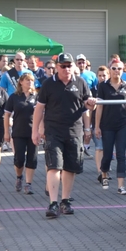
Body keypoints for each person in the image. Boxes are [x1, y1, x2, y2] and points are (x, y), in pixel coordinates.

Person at [32, 53, 96, 219]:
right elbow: (39, 108)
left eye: (69, 66)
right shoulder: (48, 84)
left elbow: (87, 105)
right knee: (54, 166)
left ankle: (65, 201)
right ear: (57, 67)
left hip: (74, 131)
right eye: (63, 66)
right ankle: (53, 203)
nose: (66, 69)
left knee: (70, 167)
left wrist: (91, 107)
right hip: (53, 131)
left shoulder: (80, 82)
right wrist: (36, 130)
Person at [96, 58, 126, 194]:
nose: (116, 71)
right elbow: (99, 107)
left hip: (122, 124)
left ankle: (121, 186)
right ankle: (104, 174)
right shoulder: (103, 86)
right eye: (114, 68)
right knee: (107, 155)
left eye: (119, 68)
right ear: (110, 70)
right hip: (107, 125)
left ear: (123, 70)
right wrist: (97, 126)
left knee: (121, 154)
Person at [4, 73, 39, 194]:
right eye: (27, 80)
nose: (30, 82)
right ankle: (19, 177)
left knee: (32, 159)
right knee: (19, 159)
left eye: (32, 80)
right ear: (21, 82)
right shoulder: (14, 97)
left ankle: (28, 184)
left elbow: (42, 114)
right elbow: (7, 115)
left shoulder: (37, 96)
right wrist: (6, 132)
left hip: (33, 132)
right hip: (18, 131)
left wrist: (41, 130)